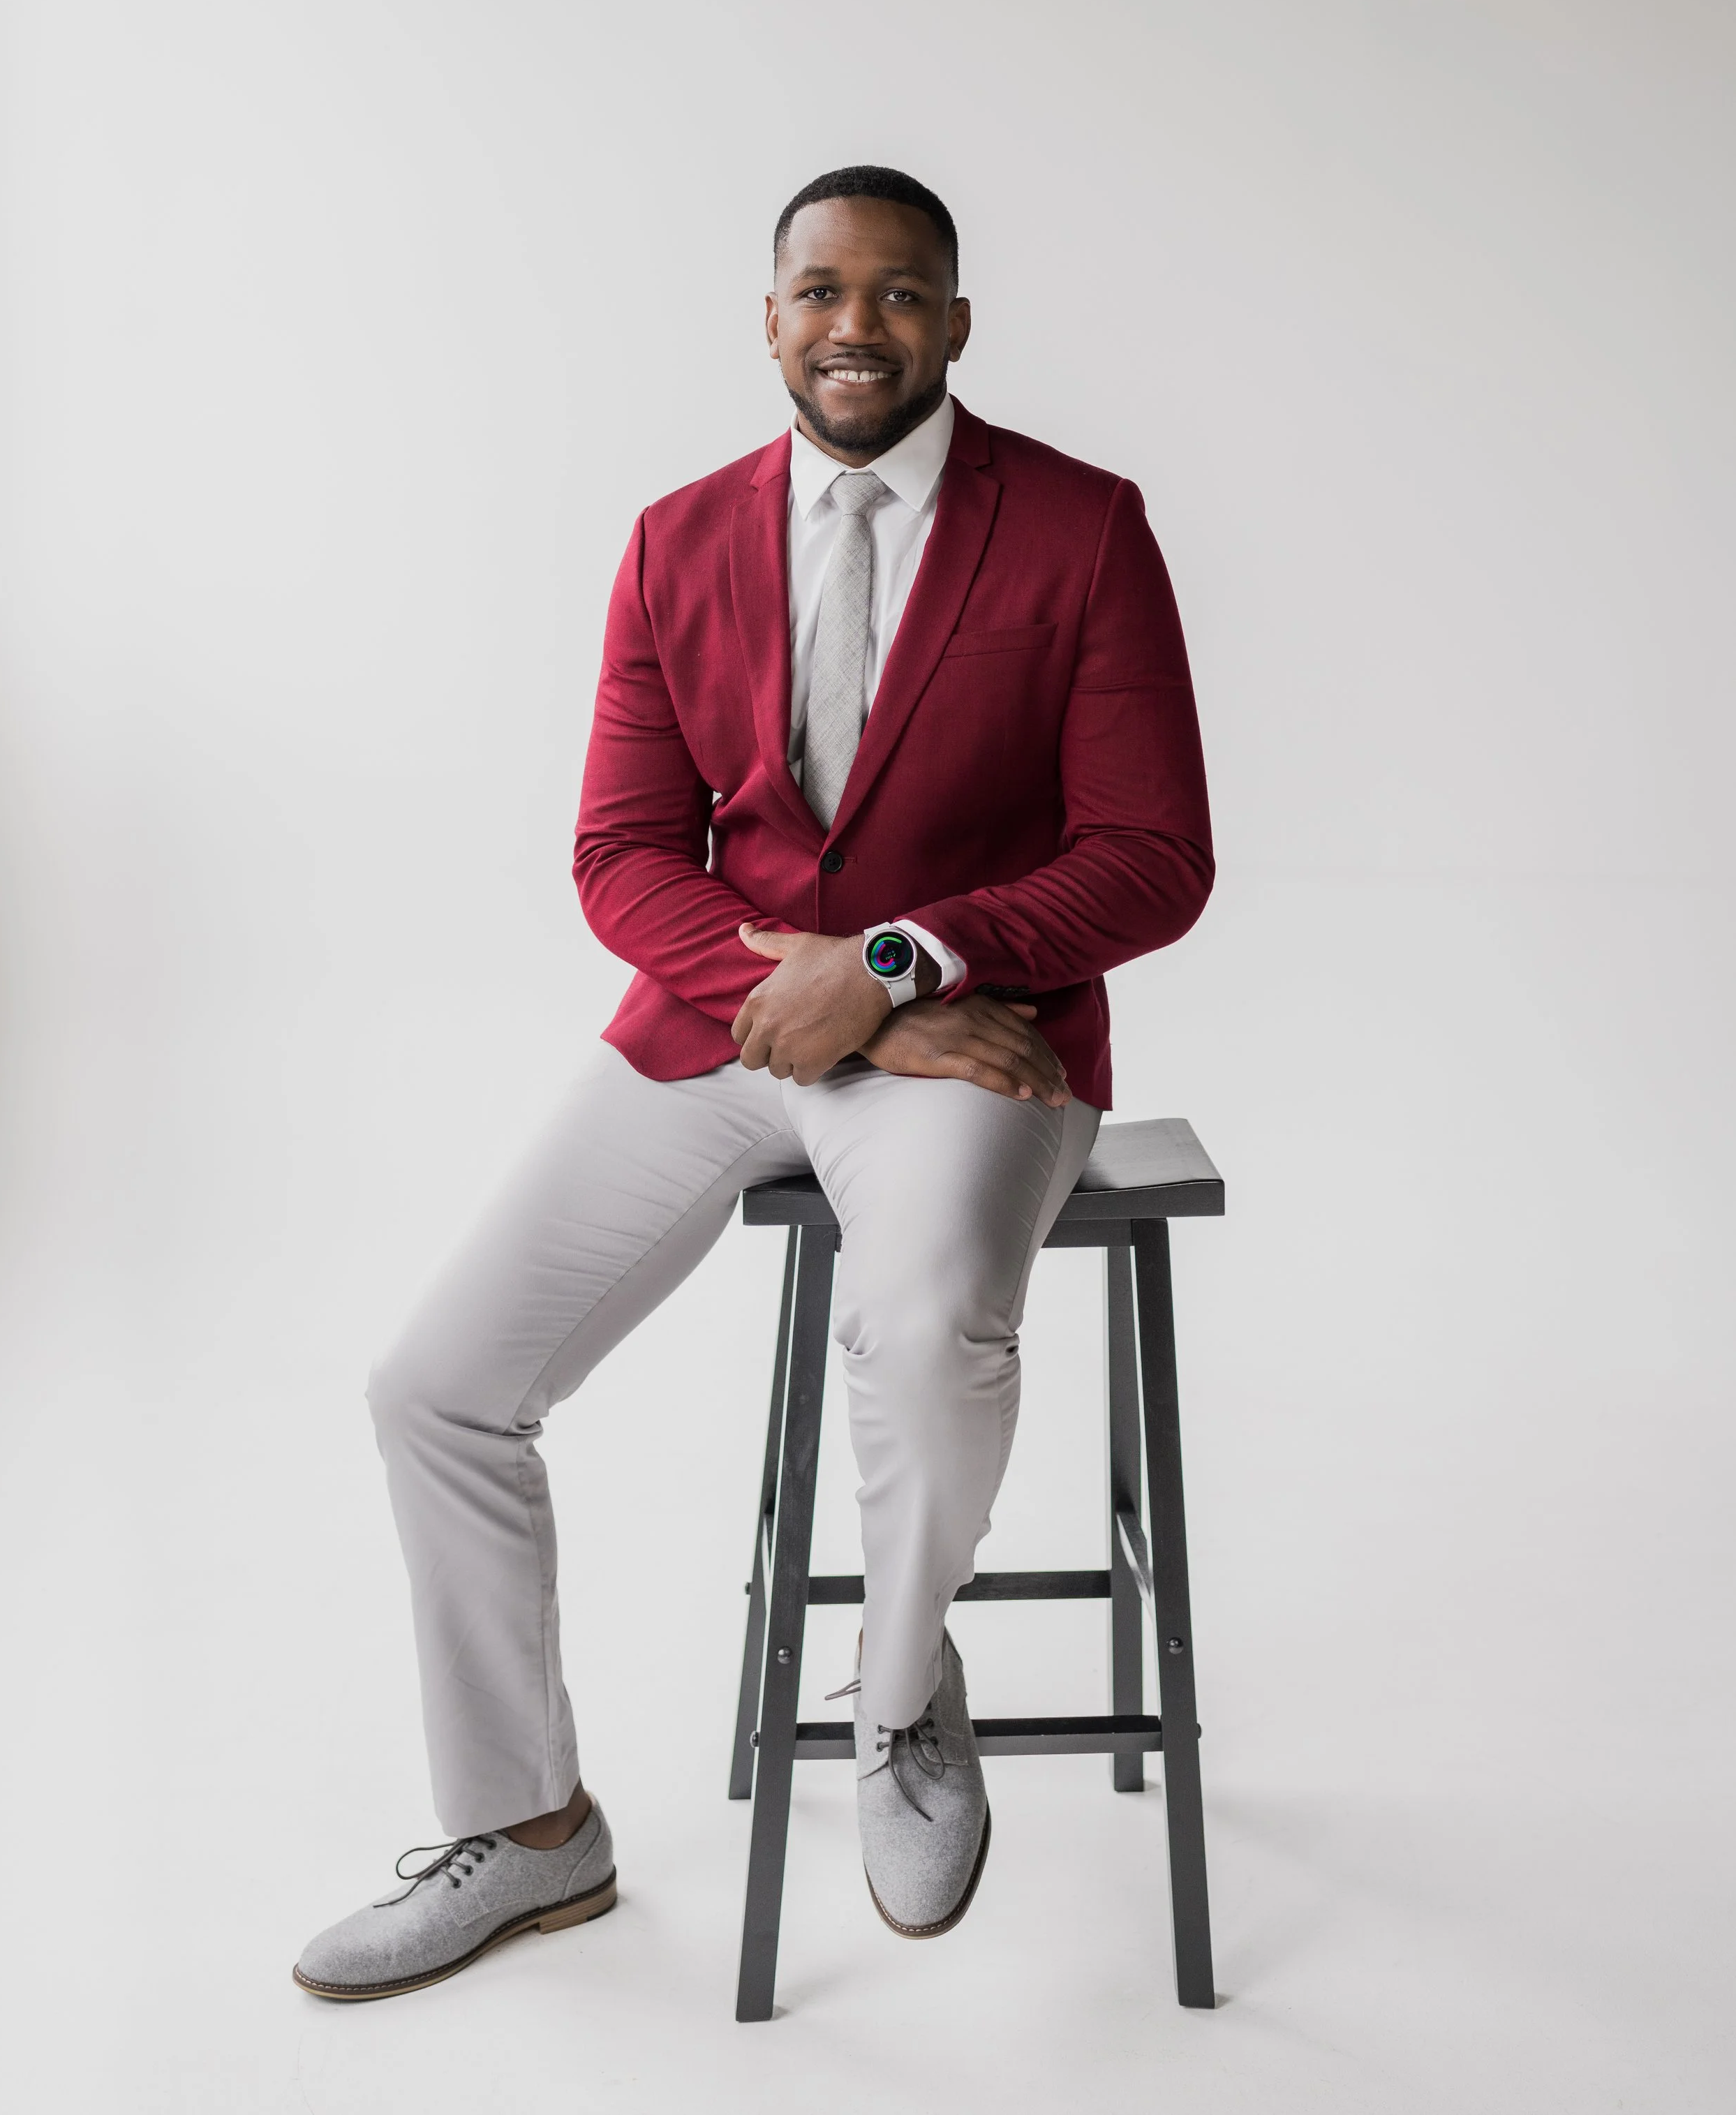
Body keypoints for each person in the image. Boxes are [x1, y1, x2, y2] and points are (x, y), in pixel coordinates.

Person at [294, 164, 1213, 1999]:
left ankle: (895, 1694)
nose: (852, 324)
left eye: (895, 293)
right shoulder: (675, 537)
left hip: (979, 1037)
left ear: (952, 322)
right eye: (816, 290)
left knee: (931, 1320)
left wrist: (903, 962)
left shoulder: (1082, 529)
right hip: (724, 1031)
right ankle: (533, 1830)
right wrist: (812, 988)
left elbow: (1153, 852)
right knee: (437, 1386)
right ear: (768, 315)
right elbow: (621, 852)